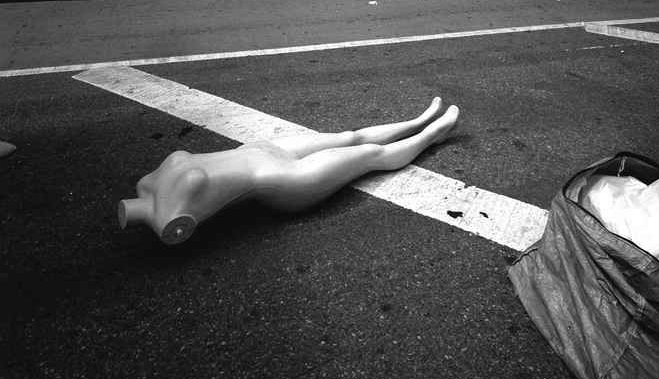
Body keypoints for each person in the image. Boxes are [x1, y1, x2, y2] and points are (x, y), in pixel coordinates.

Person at [119, 98, 459, 244]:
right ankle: (432, 135)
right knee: (369, 154)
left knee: (349, 136)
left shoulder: (149, 186)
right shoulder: (169, 212)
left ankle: (419, 121)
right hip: (284, 182)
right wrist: (159, 220)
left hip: (259, 151)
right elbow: (176, 227)